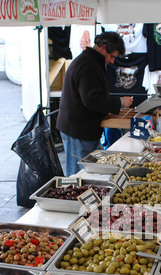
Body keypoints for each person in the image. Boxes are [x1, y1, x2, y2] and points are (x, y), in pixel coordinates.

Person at [56, 32, 133, 176]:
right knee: (78, 174)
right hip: (77, 130)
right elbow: (91, 99)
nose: (111, 61)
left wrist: (106, 110)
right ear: (103, 47)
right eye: (112, 56)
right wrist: (120, 102)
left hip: (81, 128)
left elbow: (93, 96)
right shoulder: (88, 64)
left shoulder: (92, 61)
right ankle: (77, 197)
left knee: (88, 171)